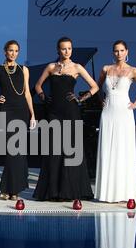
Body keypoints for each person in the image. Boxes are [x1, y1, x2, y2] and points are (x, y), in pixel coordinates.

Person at [33, 36, 98, 201]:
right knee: (54, 149)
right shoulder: (51, 67)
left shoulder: (77, 67)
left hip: (71, 111)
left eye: (69, 48)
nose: (67, 51)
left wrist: (80, 99)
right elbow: (37, 85)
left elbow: (95, 86)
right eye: (63, 48)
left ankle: (71, 189)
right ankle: (53, 190)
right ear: (58, 50)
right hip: (54, 111)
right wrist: (42, 96)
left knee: (71, 149)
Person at [0, 40, 36, 201]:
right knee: (11, 151)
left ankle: (14, 190)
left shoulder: (24, 69)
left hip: (22, 111)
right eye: (10, 50)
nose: (13, 53)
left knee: (18, 152)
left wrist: (33, 114)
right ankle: (7, 189)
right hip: (6, 111)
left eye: (16, 51)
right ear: (5, 51)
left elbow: (27, 93)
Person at [94, 40, 136, 203]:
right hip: (108, 111)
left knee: (124, 150)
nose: (119, 53)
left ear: (127, 52)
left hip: (125, 112)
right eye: (116, 51)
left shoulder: (133, 71)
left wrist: (135, 104)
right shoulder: (106, 69)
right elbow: (96, 87)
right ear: (113, 52)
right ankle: (107, 193)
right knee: (108, 149)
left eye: (122, 50)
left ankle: (125, 192)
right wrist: (99, 101)